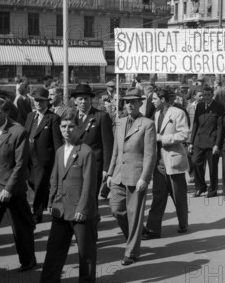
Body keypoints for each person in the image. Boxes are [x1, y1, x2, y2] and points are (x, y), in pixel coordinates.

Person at [33, 111, 98, 283]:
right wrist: (52, 200)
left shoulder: (86, 152)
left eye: (71, 126)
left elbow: (90, 184)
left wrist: (83, 208)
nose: (67, 130)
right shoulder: (60, 150)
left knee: (85, 249)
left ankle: (86, 280)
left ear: (78, 128)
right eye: (63, 126)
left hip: (80, 209)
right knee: (54, 247)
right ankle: (49, 282)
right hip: (61, 208)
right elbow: (55, 177)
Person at [0, 98, 37, 271]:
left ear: (6, 112)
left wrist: (8, 189)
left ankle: (28, 261)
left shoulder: (18, 132)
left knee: (21, 229)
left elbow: (20, 165)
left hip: (12, 190)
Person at [107, 88, 156, 265]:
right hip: (119, 175)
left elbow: (150, 154)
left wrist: (145, 177)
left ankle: (132, 252)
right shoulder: (119, 122)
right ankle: (133, 237)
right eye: (127, 101)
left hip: (136, 176)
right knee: (116, 208)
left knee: (134, 215)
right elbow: (115, 150)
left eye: (133, 101)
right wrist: (111, 172)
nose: (129, 104)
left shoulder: (147, 124)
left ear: (140, 103)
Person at [143, 88, 189, 239]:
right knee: (158, 196)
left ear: (162, 99)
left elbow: (184, 134)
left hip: (174, 160)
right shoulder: (155, 114)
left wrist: (163, 138)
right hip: (158, 163)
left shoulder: (178, 113)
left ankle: (183, 223)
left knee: (179, 196)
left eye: (154, 99)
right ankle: (153, 229)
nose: (152, 102)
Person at [24, 87, 63, 223]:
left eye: (41, 101)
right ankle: (46, 201)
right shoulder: (30, 116)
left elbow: (57, 142)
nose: (38, 103)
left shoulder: (53, 118)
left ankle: (36, 214)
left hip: (44, 160)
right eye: (36, 100)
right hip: (29, 158)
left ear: (47, 102)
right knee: (32, 183)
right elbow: (25, 135)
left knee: (40, 185)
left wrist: (59, 162)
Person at [71, 83, 114, 202]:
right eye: (80, 99)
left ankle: (92, 219)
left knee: (91, 197)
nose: (83, 102)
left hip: (94, 165)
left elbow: (108, 145)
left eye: (86, 98)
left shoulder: (101, 116)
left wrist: (106, 169)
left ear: (91, 100)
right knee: (76, 196)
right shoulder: (71, 117)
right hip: (75, 164)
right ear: (75, 101)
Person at [188, 85, 225, 198]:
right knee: (195, 162)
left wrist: (217, 144)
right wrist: (191, 142)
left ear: (212, 95)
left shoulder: (219, 107)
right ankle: (200, 186)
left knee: (213, 167)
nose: (206, 97)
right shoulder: (199, 106)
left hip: (212, 141)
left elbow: (220, 128)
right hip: (199, 140)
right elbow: (195, 125)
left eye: (209, 95)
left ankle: (212, 190)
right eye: (205, 95)